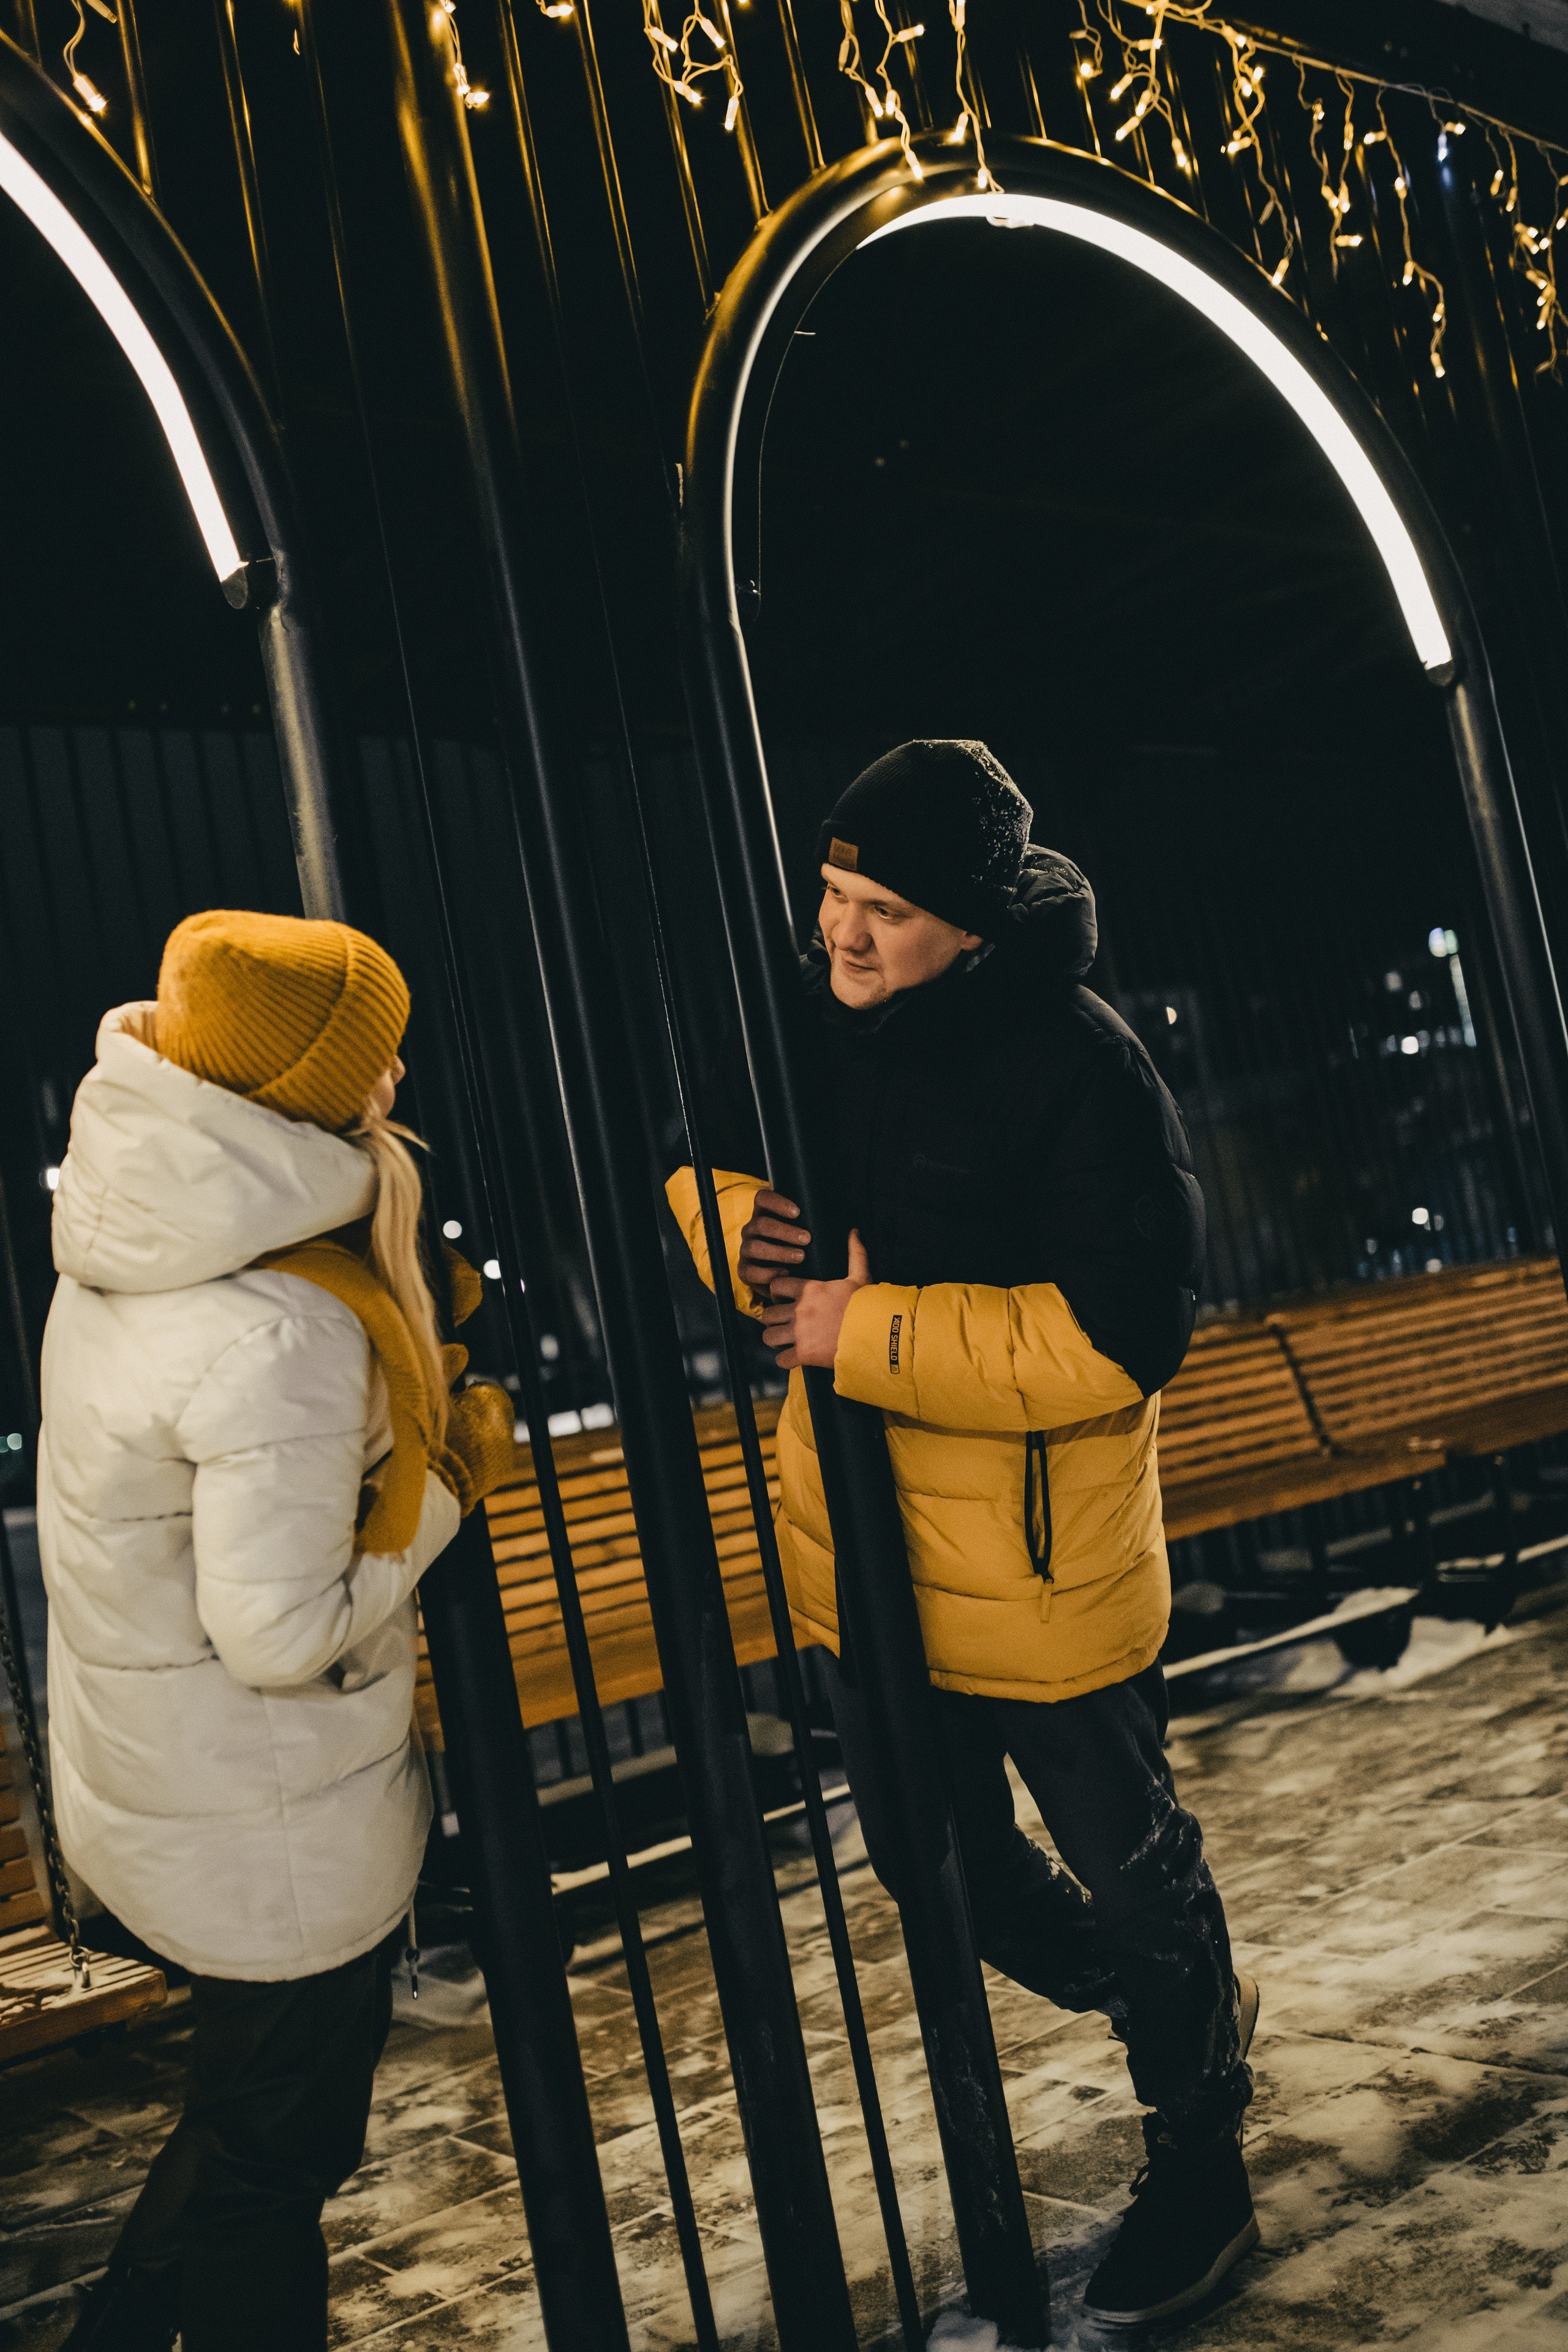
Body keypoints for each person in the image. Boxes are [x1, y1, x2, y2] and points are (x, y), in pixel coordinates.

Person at [666, 739, 1259, 2329]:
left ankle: (1199, 2140)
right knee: (952, 1883)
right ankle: (1172, 2004)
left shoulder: (1080, 1064)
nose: (842, 935)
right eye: (834, 894)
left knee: (1132, 1877)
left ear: (976, 929)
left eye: (885, 911)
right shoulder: (804, 1013)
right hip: (857, 1561)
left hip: (1036, 1575)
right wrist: (743, 1237)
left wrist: (861, 1327)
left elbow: (1117, 1342)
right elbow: (697, 1164)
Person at [40, 910, 516, 2352]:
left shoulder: (139, 1234)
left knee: (242, 2129)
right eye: (373, 1058)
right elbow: (278, 1629)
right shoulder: (276, 1324)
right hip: (275, 1828)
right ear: (300, 1089)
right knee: (269, 2168)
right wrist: (436, 1492)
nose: (398, 1078)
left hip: (169, 1782)